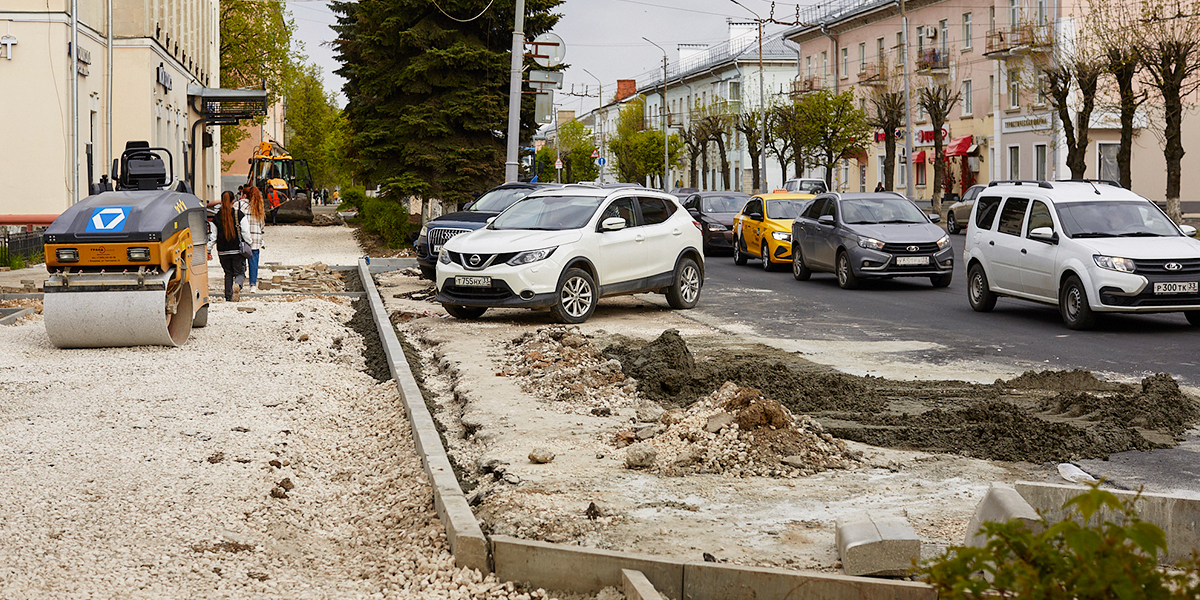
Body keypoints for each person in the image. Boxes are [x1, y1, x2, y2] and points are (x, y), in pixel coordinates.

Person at [210, 190, 251, 302]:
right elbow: (245, 233)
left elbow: (213, 237)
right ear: (234, 201)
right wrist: (249, 243)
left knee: (228, 273)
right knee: (240, 272)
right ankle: (237, 285)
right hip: (237, 249)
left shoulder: (216, 217)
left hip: (222, 251)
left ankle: (228, 296)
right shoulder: (239, 215)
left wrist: (208, 250)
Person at [244, 186, 266, 292]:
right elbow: (262, 225)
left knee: (240, 261)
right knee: (253, 262)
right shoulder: (259, 207)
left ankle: (238, 282)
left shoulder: (241, 205)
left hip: (243, 238)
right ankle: (253, 285)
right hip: (256, 238)